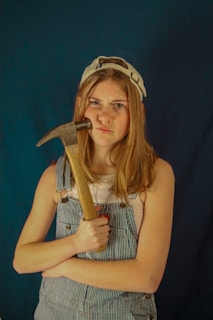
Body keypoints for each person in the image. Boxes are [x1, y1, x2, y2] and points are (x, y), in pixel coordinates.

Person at [13, 56, 175, 319]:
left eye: (118, 105)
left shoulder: (155, 175)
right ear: (80, 106)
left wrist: (66, 267)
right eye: (95, 102)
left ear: (137, 114)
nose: (104, 116)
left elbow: (147, 277)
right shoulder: (55, 176)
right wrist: (76, 242)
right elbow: (22, 260)